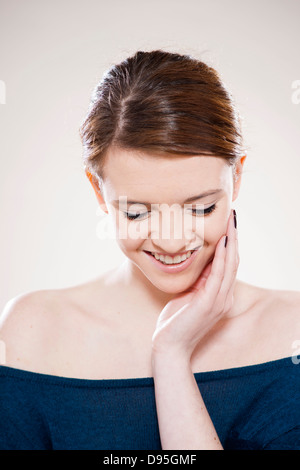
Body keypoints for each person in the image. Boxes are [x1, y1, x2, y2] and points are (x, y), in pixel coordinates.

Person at [0, 49, 300, 451]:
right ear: (99, 191)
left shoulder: (292, 333)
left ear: (238, 176)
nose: (172, 241)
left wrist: (172, 357)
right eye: (137, 212)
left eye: (201, 207)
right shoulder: (31, 333)